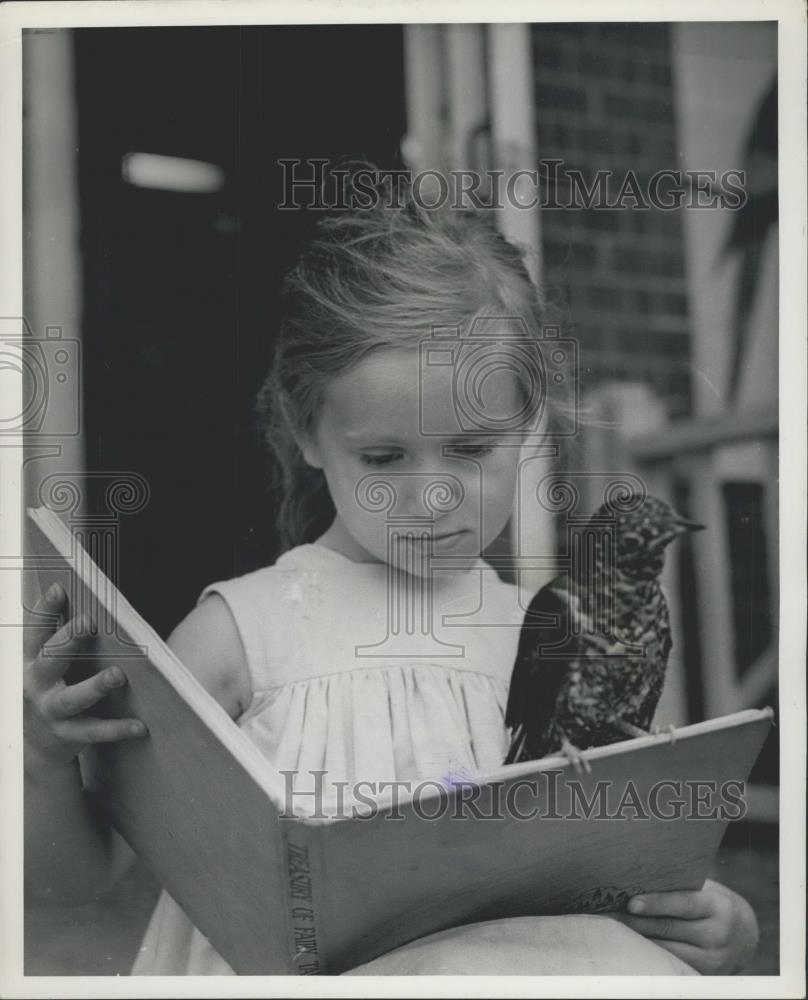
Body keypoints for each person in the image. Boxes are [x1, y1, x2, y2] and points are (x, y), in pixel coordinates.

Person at [23, 173, 759, 976]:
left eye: (471, 450)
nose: (432, 497)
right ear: (308, 431)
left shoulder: (557, 636)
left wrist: (718, 922)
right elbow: (76, 883)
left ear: (529, 424)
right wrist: (42, 762)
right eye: (383, 457)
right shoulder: (240, 636)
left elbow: (629, 849)